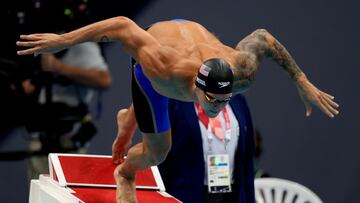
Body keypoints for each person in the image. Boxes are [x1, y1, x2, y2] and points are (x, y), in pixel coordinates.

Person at [16, 16, 339, 203]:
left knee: (155, 137)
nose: (218, 109)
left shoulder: (242, 73)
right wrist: (64, 40)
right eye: (212, 100)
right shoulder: (163, 67)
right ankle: (125, 172)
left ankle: (129, 120)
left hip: (196, 45)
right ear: (198, 88)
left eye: (225, 101)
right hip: (157, 58)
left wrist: (302, 80)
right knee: (158, 152)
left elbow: (263, 38)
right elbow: (121, 26)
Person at [26, 42, 112, 180]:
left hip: (70, 136)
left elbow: (104, 80)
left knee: (69, 190)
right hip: (40, 134)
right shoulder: (35, 44)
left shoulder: (84, 45)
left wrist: (58, 67)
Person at [156, 94, 255, 203]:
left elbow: (247, 161)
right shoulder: (177, 99)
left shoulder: (237, 99)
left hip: (231, 192)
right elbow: (162, 157)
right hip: (188, 194)